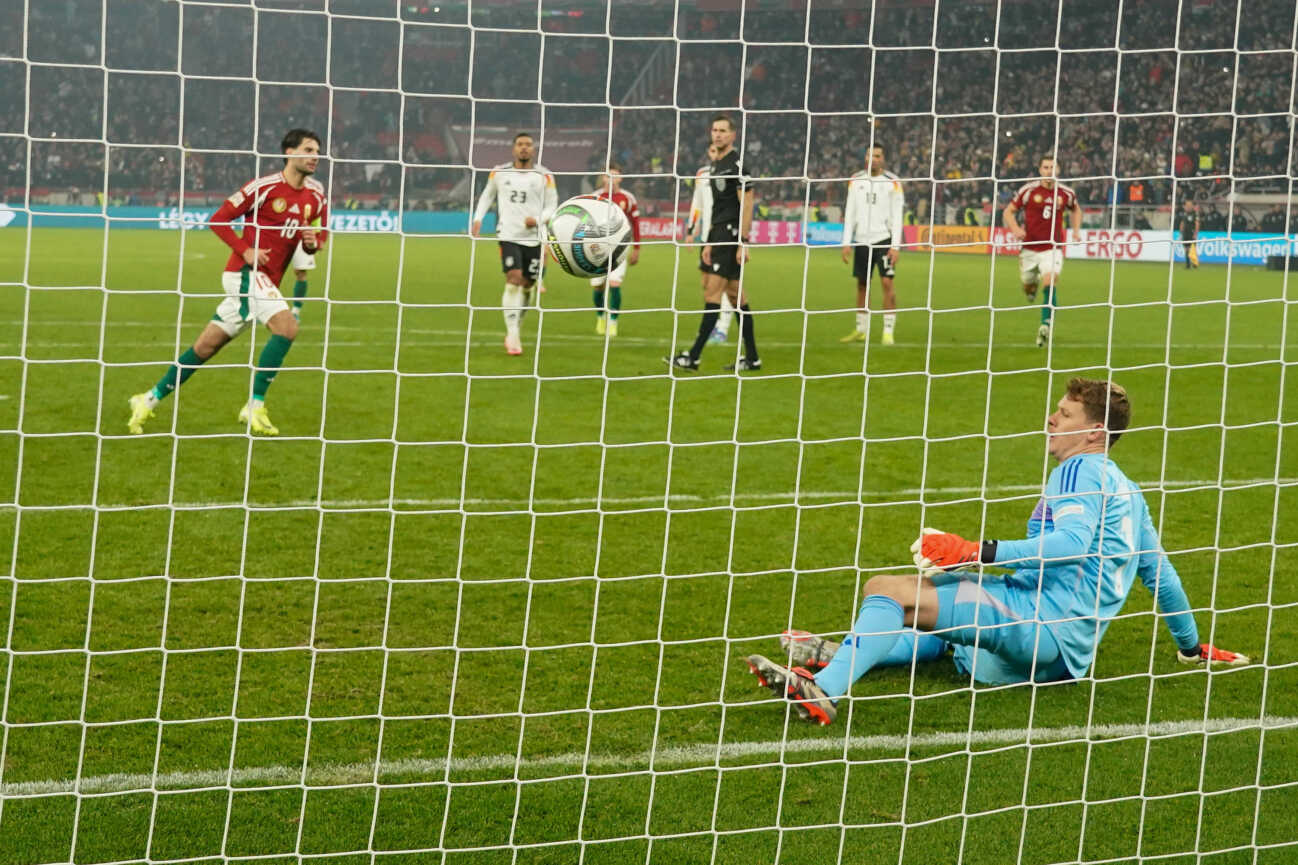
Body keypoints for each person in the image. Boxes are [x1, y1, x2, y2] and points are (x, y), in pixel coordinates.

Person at [745, 378, 1250, 726]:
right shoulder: (1130, 493)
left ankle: (826, 688)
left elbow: (1071, 545)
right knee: (941, 615)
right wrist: (1191, 647)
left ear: (1094, 432)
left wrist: (978, 550)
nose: (1051, 419)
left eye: (1065, 413)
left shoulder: (1079, 469)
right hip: (1065, 654)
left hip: (1038, 625)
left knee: (887, 590)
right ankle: (843, 652)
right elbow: (1161, 576)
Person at [127, 128, 328, 436]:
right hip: (244, 275)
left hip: (266, 281)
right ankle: (255, 406)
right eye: (309, 150)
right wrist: (245, 250)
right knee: (287, 327)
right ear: (289, 152)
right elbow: (219, 218)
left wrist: (312, 243)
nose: (316, 156)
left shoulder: (316, 195)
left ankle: (147, 400)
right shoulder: (265, 187)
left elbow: (317, 240)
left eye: (317, 151)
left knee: (206, 346)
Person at [667, 114, 760, 372]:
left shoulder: (737, 165)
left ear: (733, 135)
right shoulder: (717, 165)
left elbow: (748, 203)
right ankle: (752, 358)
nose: (717, 135)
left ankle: (693, 357)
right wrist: (708, 241)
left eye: (723, 131)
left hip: (730, 237)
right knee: (736, 297)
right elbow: (718, 208)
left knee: (712, 294)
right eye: (714, 130)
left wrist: (743, 242)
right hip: (718, 236)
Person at [472, 132, 558, 356]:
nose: (524, 148)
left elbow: (553, 206)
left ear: (534, 149)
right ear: (513, 149)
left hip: (534, 237)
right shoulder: (499, 172)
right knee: (513, 280)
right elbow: (486, 196)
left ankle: (515, 327)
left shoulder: (545, 176)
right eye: (520, 144)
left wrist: (538, 220)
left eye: (528, 145)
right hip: (508, 234)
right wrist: (477, 219)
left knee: (528, 285)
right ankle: (512, 334)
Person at [1002, 155, 1082, 348]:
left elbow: (1076, 210)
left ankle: (1045, 325)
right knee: (1028, 287)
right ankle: (1031, 290)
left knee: (1051, 280)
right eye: (1046, 167)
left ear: (1059, 170)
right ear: (1040, 170)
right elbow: (1008, 211)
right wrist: (1015, 229)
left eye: (1053, 167)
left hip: (1052, 248)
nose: (1049, 171)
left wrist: (1076, 231)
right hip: (1029, 248)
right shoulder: (1028, 190)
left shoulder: (1066, 193)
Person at [839, 144, 904, 346]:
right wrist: (846, 242)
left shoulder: (892, 182)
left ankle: (888, 331)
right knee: (862, 285)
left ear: (883, 159)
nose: (873, 159)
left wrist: (896, 246)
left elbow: (897, 215)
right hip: (861, 240)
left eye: (877, 156)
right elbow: (849, 213)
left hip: (883, 240)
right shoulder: (855, 180)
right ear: (865, 157)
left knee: (887, 284)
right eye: (870, 155)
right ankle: (861, 330)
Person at [686, 144, 736, 344]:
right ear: (709, 152)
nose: (716, 155)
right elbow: (696, 204)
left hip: (724, 237)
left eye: (719, 151)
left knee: (722, 285)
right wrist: (691, 230)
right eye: (713, 151)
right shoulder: (702, 174)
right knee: (707, 284)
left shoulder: (732, 172)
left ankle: (721, 329)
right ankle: (714, 324)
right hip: (707, 238)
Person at [589, 163, 640, 337]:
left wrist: (637, 248)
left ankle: (613, 322)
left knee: (615, 284)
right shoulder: (594, 197)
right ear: (603, 178)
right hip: (597, 249)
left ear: (620, 178)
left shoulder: (628, 198)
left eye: (615, 175)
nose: (611, 179)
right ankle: (600, 317)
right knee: (598, 287)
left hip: (620, 247)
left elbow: (636, 224)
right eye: (608, 175)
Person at [1178, 199, 1200, 269]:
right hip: (1185, 234)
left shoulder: (1195, 214)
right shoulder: (1184, 214)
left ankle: (1194, 263)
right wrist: (1181, 233)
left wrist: (1195, 234)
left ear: (1192, 206)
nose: (1188, 207)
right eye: (1187, 205)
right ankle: (1188, 265)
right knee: (1186, 249)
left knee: (1192, 249)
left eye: (1189, 205)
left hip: (1191, 233)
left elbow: (1197, 224)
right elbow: (1182, 223)